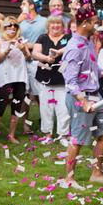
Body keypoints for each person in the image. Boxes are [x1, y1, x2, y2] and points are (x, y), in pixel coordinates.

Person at [63, 6, 103, 189]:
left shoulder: (88, 42)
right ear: (84, 23)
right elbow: (70, 81)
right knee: (78, 140)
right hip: (81, 99)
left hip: (97, 96)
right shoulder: (73, 48)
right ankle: (69, 179)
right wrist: (83, 101)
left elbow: (92, 68)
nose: (98, 25)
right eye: (94, 22)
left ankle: (96, 173)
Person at [0, 16, 31, 145]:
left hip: (20, 77)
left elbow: (29, 58)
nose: (12, 27)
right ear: (4, 27)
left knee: (17, 106)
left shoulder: (21, 40)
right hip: (5, 78)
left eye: (15, 25)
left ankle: (11, 135)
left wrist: (23, 49)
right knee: (1, 106)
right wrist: (7, 50)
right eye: (9, 25)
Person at [32, 16, 71, 144]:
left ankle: (63, 135)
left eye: (58, 23)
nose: (55, 25)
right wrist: (46, 58)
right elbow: (35, 53)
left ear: (62, 25)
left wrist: (59, 52)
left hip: (62, 79)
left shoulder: (68, 38)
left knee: (63, 109)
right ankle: (48, 134)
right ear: (48, 25)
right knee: (46, 108)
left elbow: (71, 48)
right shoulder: (42, 37)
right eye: (53, 23)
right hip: (45, 78)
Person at [18, 0, 47, 134]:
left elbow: (47, 40)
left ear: (31, 6)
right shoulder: (20, 23)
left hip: (37, 61)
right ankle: (26, 125)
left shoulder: (43, 22)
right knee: (26, 95)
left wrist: (31, 45)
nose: (20, 7)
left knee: (41, 94)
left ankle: (45, 123)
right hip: (22, 61)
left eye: (23, 4)